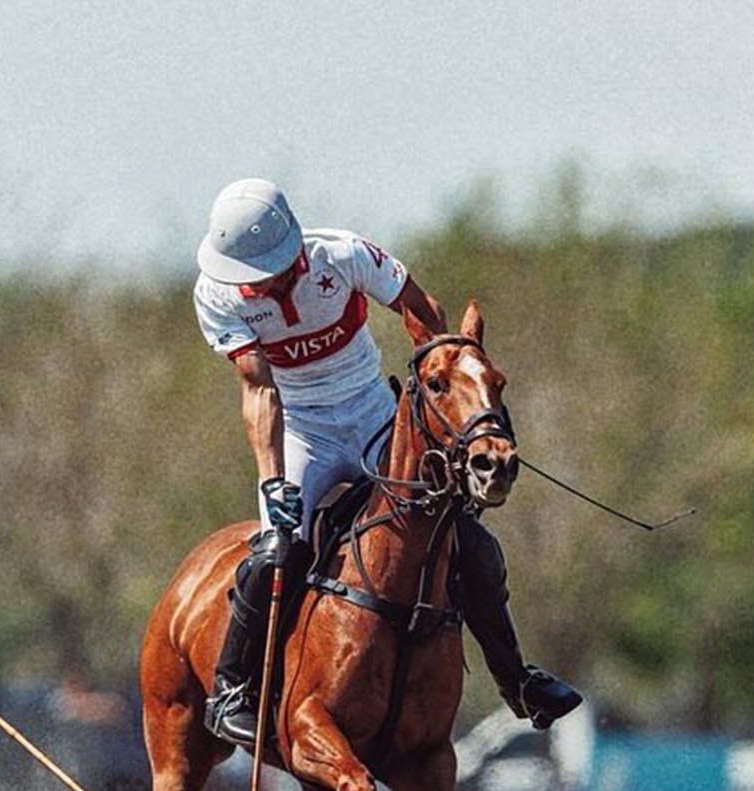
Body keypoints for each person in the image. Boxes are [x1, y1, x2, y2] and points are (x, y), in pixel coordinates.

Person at [190, 178, 581, 746]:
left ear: (292, 253)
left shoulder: (344, 256)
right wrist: (271, 479)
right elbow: (259, 390)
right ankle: (232, 689)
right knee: (278, 551)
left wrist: (440, 380)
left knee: (463, 538)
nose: (249, 287)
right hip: (302, 431)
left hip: (373, 412)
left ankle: (516, 681)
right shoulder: (218, 295)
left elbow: (422, 310)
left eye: (259, 273)